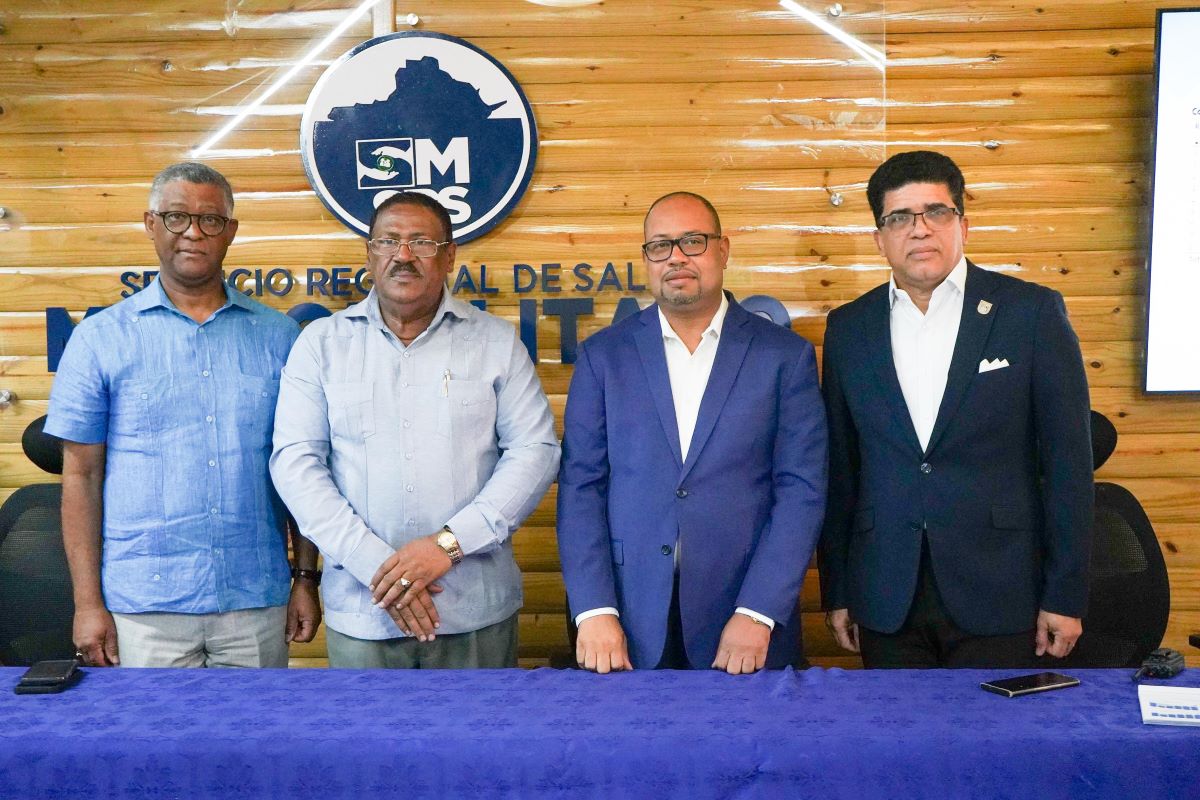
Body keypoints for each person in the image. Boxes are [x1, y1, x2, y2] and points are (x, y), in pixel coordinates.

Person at [819, 150, 1093, 668]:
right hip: (886, 593)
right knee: (893, 724)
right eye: (899, 218)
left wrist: (1065, 594)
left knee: (996, 724)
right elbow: (841, 469)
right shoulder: (849, 328)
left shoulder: (1030, 312)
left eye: (936, 212)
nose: (919, 229)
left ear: (963, 225)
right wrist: (839, 588)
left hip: (1001, 587)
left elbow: (1068, 465)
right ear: (879, 239)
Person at [46, 162, 321, 668]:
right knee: (153, 726)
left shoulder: (279, 337)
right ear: (151, 224)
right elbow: (81, 476)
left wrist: (305, 578)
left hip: (255, 599)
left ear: (230, 232)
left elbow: (302, 467)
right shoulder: (99, 339)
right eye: (176, 217)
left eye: (210, 220)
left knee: (259, 725)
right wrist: (86, 604)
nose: (193, 232)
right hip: (144, 606)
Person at [270, 192, 559, 669]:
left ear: (449, 255)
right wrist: (376, 565)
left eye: (422, 242)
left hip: (474, 609)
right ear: (370, 254)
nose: (403, 255)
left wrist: (448, 545)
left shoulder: (496, 342)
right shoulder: (321, 345)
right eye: (389, 241)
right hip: (365, 608)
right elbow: (295, 463)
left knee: (482, 724)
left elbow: (536, 451)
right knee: (367, 726)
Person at [556, 192, 828, 674]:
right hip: (624, 621)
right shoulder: (604, 356)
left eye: (693, 241)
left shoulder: (784, 356)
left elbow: (801, 490)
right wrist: (594, 610)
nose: (676, 257)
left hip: (744, 619)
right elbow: (581, 487)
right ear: (646, 259)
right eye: (660, 245)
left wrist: (758, 611)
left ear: (723, 250)